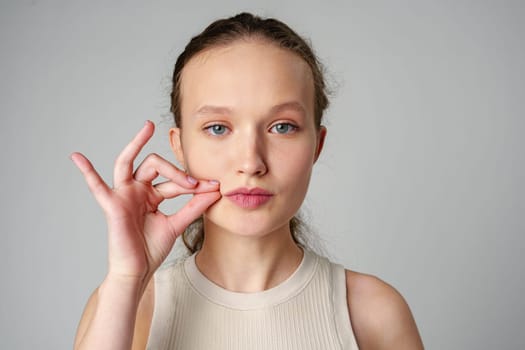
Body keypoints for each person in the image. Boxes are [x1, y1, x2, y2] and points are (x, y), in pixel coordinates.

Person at [71, 12, 423, 350]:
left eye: (282, 127)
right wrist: (126, 278)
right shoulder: (128, 306)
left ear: (317, 144)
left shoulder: (374, 313)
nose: (251, 163)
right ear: (179, 146)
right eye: (218, 128)